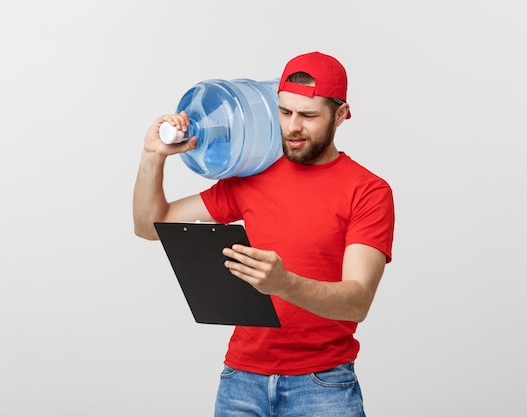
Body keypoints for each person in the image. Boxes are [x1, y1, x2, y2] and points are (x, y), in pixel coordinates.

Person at [133, 51, 395, 417]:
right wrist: (152, 156)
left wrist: (283, 283)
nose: (292, 127)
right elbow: (151, 226)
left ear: (341, 114)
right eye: (285, 112)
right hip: (241, 380)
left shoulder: (367, 191)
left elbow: (357, 301)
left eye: (308, 115)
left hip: (323, 386)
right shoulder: (252, 174)